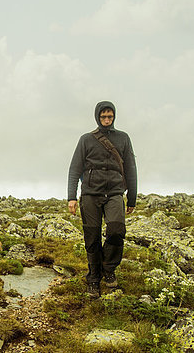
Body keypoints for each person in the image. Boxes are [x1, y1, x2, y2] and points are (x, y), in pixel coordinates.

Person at [67, 101, 137, 298]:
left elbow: (131, 168)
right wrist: (72, 197)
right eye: (103, 117)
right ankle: (94, 278)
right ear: (97, 117)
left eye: (110, 117)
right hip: (90, 194)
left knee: (116, 230)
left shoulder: (123, 138)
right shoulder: (86, 140)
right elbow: (74, 169)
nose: (107, 120)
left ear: (114, 117)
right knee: (92, 237)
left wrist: (132, 197)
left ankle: (109, 268)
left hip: (115, 192)